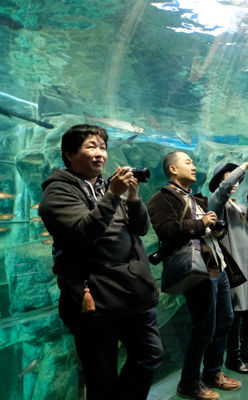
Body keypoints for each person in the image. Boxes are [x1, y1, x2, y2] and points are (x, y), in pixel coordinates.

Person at [38, 124, 163, 399]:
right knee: (101, 375)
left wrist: (132, 196)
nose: (100, 154)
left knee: (151, 354)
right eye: (91, 147)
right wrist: (113, 195)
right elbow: (84, 234)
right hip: (93, 293)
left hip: (131, 287)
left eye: (103, 148)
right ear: (69, 154)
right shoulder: (57, 193)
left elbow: (141, 228)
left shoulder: (109, 187)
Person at [147, 152, 246, 400]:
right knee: (204, 327)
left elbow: (211, 229)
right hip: (197, 269)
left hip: (217, 265)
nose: (193, 166)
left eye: (193, 162)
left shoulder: (197, 198)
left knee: (225, 320)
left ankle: (212, 372)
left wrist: (215, 226)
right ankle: (189, 383)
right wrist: (201, 224)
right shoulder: (161, 199)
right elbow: (166, 231)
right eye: (188, 162)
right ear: (172, 169)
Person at [207, 161, 248, 374]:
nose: (234, 182)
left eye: (236, 178)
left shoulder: (238, 205)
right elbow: (223, 190)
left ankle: (247, 352)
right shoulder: (216, 202)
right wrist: (242, 167)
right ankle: (233, 357)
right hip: (232, 265)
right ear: (219, 181)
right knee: (236, 311)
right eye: (228, 177)